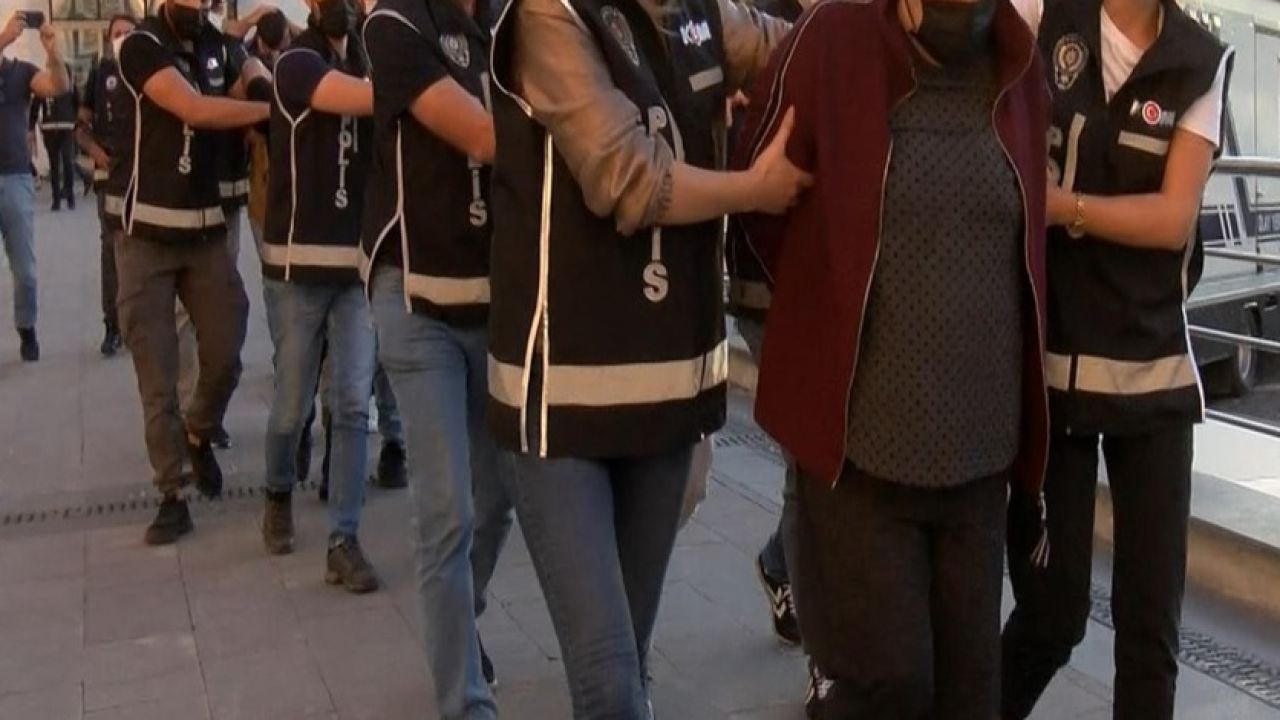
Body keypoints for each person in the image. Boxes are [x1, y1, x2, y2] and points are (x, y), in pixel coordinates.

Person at [734, 0, 1050, 716]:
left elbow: (1029, 243)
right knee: (889, 686)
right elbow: (764, 203)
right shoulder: (834, 41)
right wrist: (829, 318)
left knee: (971, 696)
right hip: (863, 455)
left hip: (979, 454)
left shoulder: (1018, 64)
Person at [489, 0, 805, 713]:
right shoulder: (549, 15)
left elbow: (796, 51)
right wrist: (755, 191)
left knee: (628, 658)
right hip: (562, 402)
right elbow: (627, 179)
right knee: (608, 680)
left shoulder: (701, 11)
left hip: (667, 391)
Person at [1000, 1, 1232, 718]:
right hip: (1053, 375)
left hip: (1153, 377)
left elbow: (1172, 219)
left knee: (1149, 635)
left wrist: (1064, 207)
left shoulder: (1199, 60)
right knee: (1051, 614)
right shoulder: (1043, 16)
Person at [362, 0, 516, 712]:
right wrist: (594, 131)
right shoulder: (395, 22)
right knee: (448, 509)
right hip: (415, 298)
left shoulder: (511, 20)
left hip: (496, 302)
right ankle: (464, 700)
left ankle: (460, 620)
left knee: (498, 500)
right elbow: (482, 133)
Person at [115, 0, 270, 545]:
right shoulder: (139, 45)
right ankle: (171, 494)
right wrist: (272, 109)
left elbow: (251, 72)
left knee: (227, 350)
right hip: (146, 237)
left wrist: (260, 78)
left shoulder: (217, 45)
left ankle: (200, 431)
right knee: (158, 375)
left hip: (205, 232)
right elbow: (193, 109)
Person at [259, 0, 381, 593]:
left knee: (354, 403)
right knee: (292, 403)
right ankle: (278, 491)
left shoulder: (368, 58)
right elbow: (359, 99)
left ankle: (343, 538)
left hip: (355, 270)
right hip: (297, 267)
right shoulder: (296, 62)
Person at [0, 14, 69, 362]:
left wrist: (53, 51)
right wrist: (3, 38)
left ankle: (27, 327)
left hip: (15, 177)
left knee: (25, 270)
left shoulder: (20, 72)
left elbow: (58, 86)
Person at [78, 13, 137, 357]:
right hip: (110, 174)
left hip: (143, 174)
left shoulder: (150, 71)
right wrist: (95, 151)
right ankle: (112, 325)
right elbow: (80, 127)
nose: (122, 38)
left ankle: (139, 322)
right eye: (117, 33)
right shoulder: (100, 74)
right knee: (111, 248)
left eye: (129, 32)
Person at [29, 64, 77, 211]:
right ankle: (56, 199)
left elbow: (76, 103)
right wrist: (31, 127)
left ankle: (69, 194)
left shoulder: (68, 85)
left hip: (66, 127)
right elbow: (35, 106)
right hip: (49, 128)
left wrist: (75, 122)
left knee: (68, 161)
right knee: (54, 164)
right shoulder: (44, 85)